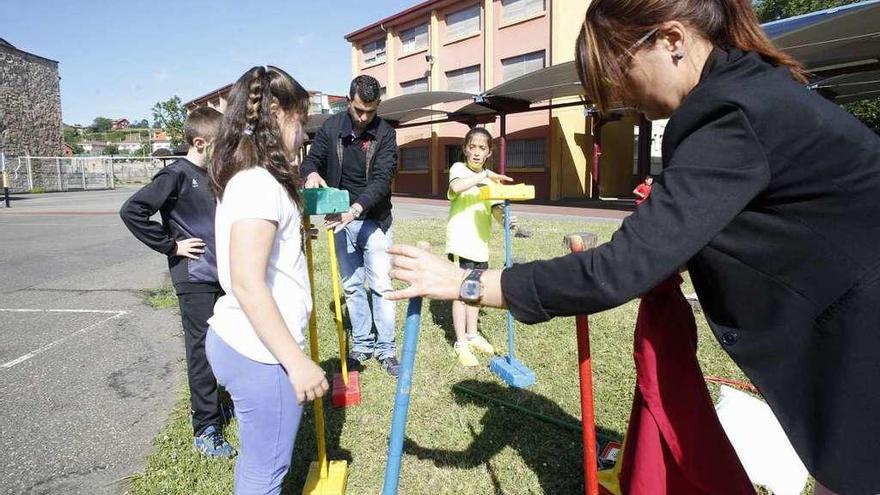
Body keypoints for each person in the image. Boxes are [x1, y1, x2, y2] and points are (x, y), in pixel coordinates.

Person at [385, 0, 880, 493]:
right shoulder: (750, 91)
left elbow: (619, 270)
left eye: (617, 72)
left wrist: (463, 281)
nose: (617, 97)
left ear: (671, 40)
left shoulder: (731, 114)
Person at [205, 65, 329, 494]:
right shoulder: (258, 183)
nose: (305, 134)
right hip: (261, 351)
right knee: (265, 474)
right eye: (302, 121)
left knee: (258, 461)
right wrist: (296, 363)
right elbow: (247, 281)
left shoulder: (251, 178)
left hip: (245, 340)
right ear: (277, 113)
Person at [119, 106, 235, 458]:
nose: (225, 152)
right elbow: (132, 210)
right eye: (220, 145)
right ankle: (206, 427)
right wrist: (171, 245)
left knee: (225, 344)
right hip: (194, 277)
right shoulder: (176, 175)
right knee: (200, 349)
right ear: (200, 143)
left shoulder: (216, 176)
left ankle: (215, 404)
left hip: (219, 273)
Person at [301, 75, 400, 376]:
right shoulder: (330, 128)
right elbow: (311, 160)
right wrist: (310, 173)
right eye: (358, 110)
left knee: (381, 286)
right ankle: (362, 343)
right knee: (353, 286)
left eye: (370, 111)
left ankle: (386, 349)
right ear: (348, 101)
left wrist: (355, 210)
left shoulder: (385, 134)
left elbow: (383, 180)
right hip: (339, 221)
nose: (363, 117)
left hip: (374, 220)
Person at [445, 127, 515, 367]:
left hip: (480, 245)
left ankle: (473, 334)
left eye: (482, 148)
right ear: (465, 149)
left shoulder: (489, 180)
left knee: (475, 291)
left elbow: (496, 210)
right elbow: (456, 187)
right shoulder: (459, 169)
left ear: (489, 152)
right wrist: (485, 175)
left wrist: (506, 219)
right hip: (460, 243)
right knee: (459, 293)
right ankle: (461, 342)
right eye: (472, 147)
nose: (476, 152)